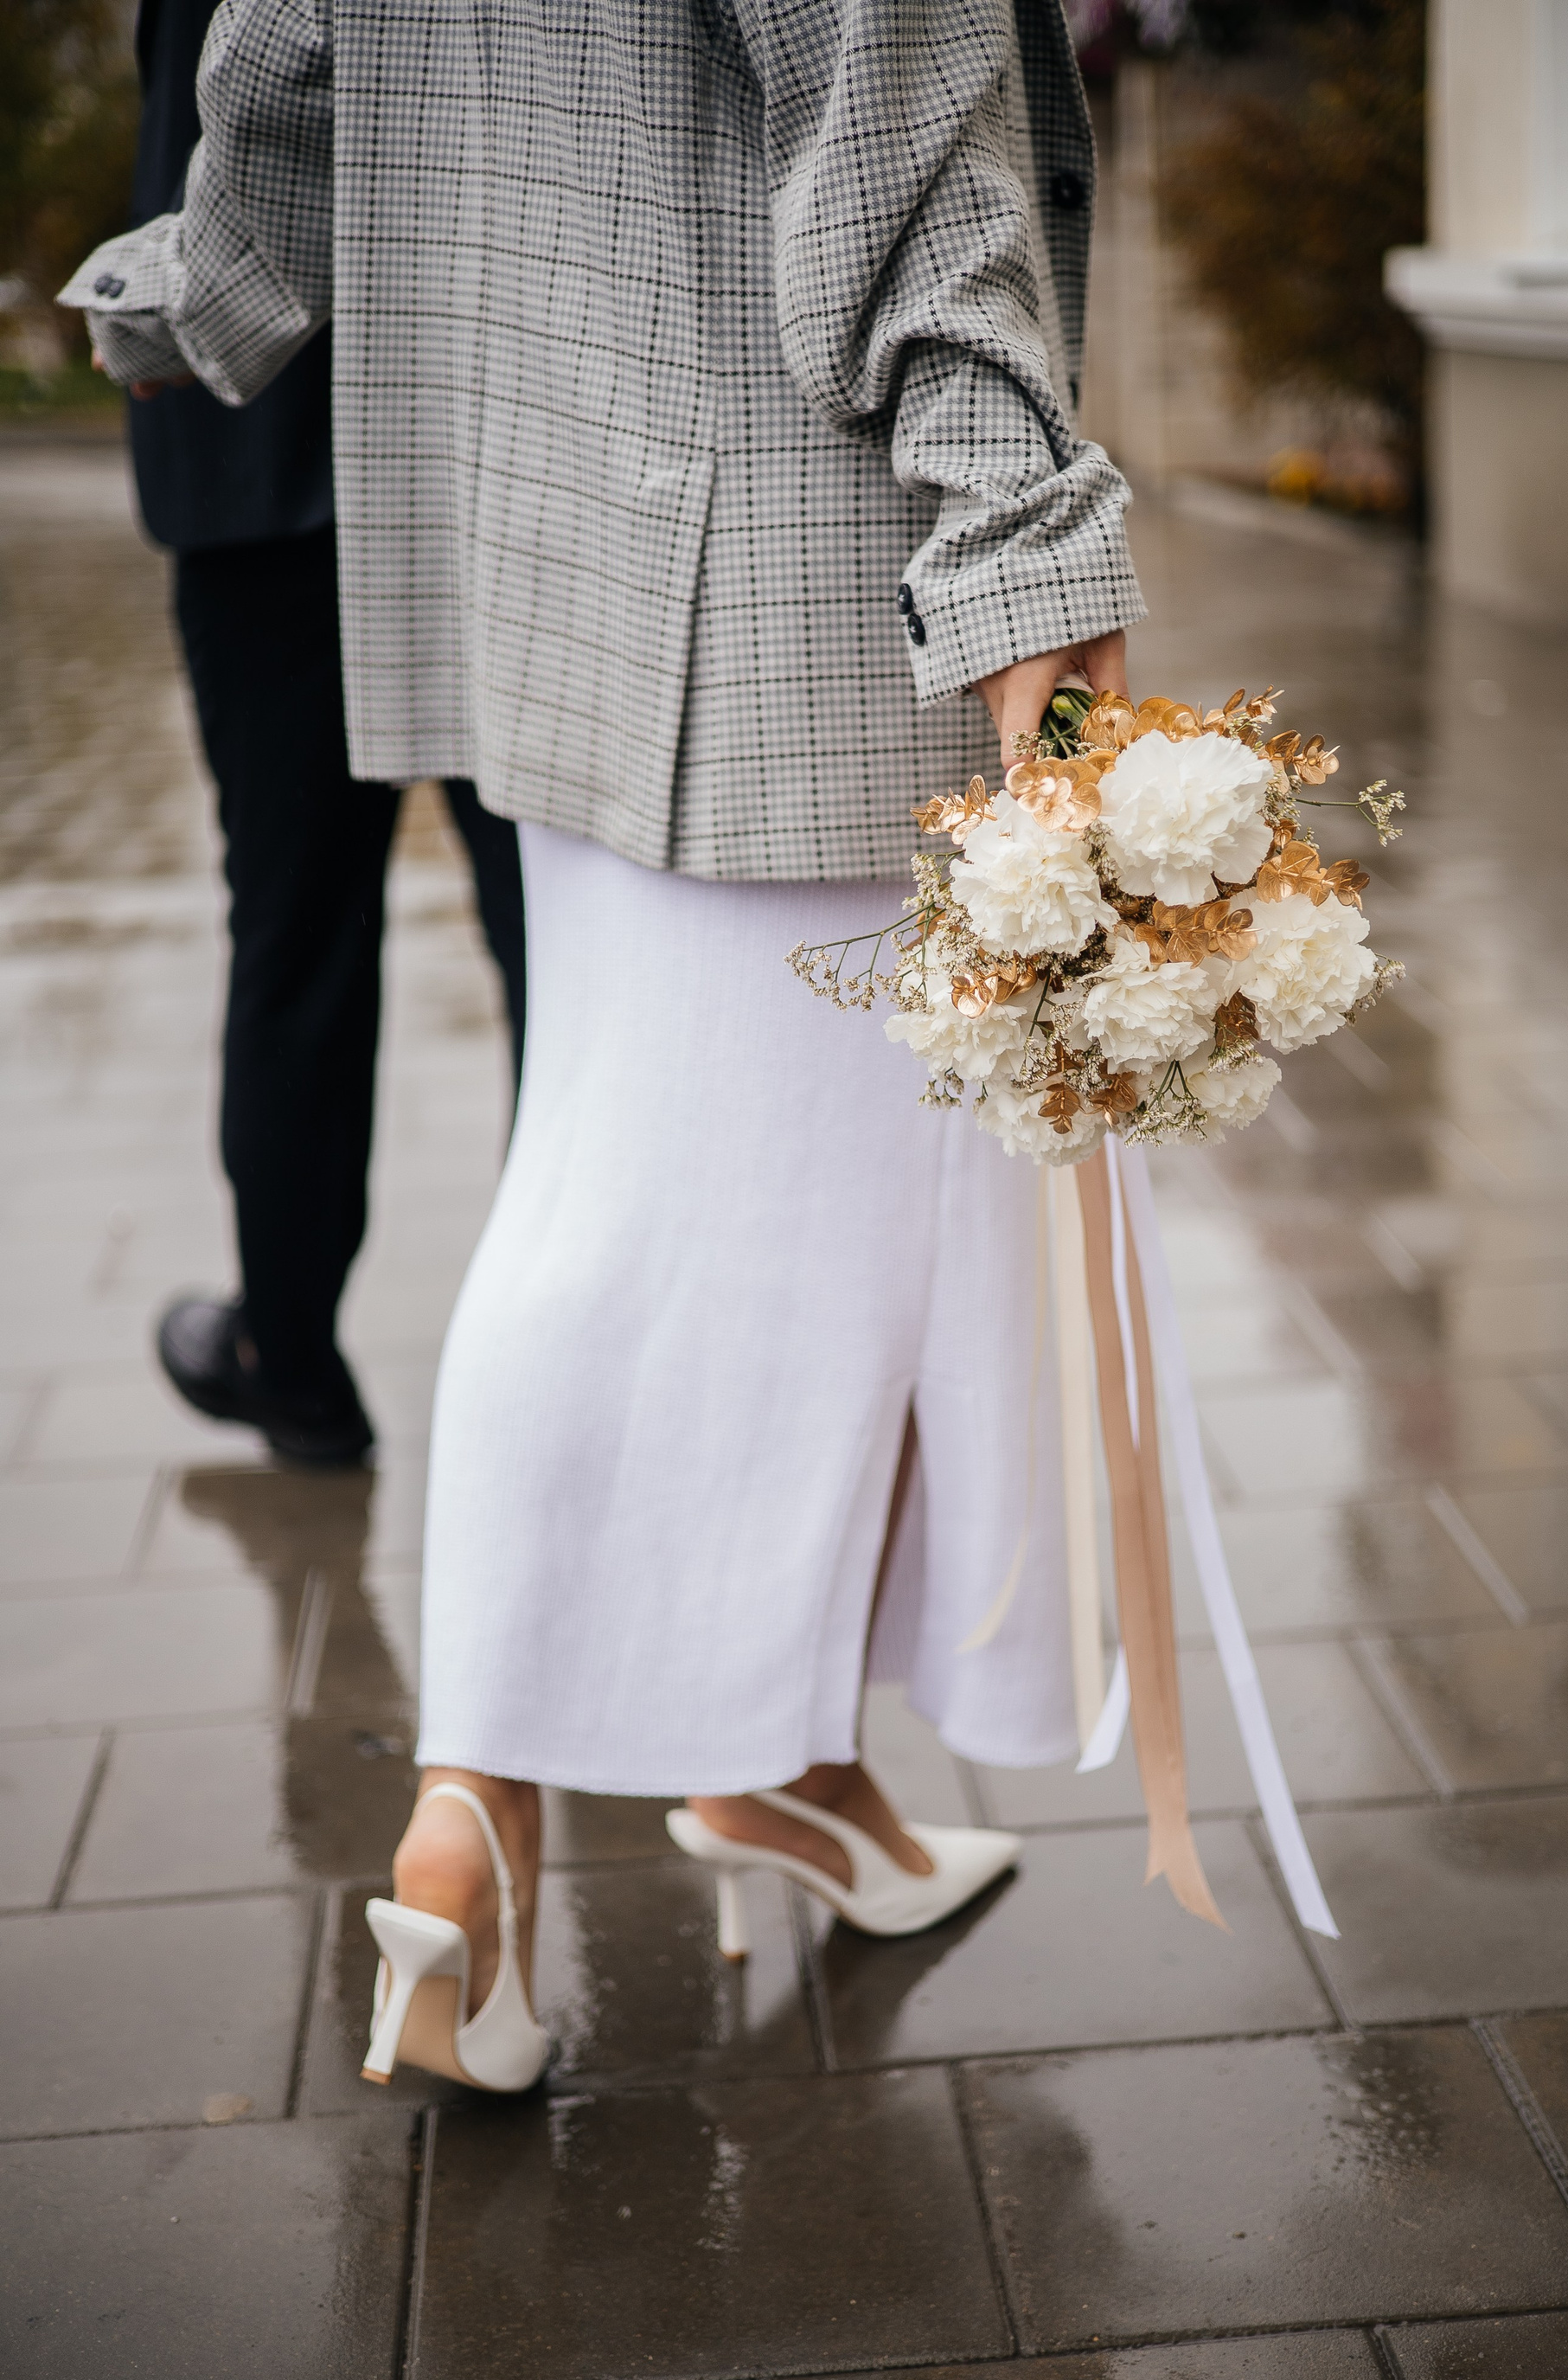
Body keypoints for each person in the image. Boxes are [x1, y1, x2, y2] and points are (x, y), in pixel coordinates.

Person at [67, 0, 1144, 2092]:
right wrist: (1025, 540)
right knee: (752, 1239)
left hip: (540, 539)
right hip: (804, 551)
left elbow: (279, 55)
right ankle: (487, 1810)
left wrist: (201, 281)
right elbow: (896, 135)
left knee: (683, 1202)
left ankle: (755, 1768)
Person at [125, 0, 528, 1471]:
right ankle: (556, 1368)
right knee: (555, 936)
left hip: (258, 443)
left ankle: (289, 1357)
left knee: (295, 936)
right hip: (489, 442)